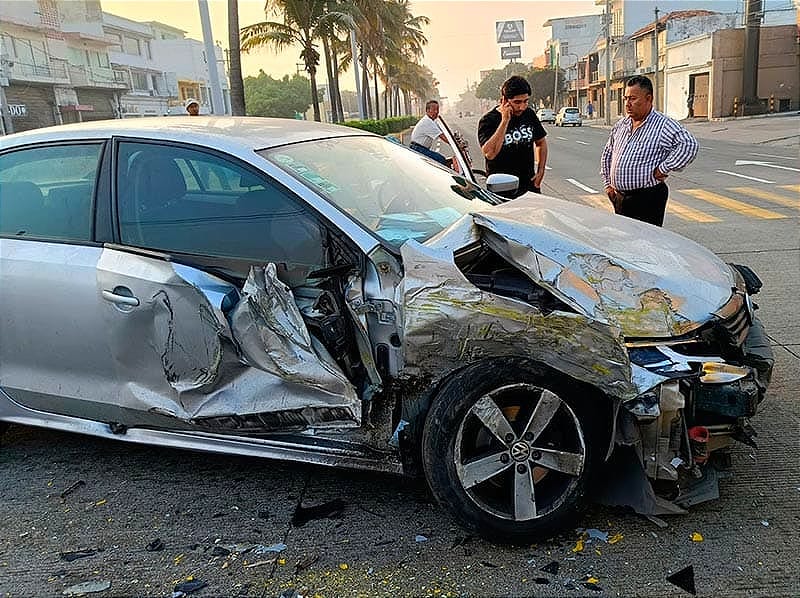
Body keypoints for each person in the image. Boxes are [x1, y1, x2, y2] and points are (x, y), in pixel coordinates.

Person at [600, 75, 698, 227]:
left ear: (649, 98)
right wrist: (608, 185)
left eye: (633, 99)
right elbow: (607, 155)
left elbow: (688, 145)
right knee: (625, 241)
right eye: (625, 98)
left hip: (647, 198)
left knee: (645, 245)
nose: (627, 104)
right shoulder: (622, 125)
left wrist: (664, 168)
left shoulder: (662, 125)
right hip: (619, 197)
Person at [477, 75, 548, 198]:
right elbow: (490, 153)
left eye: (526, 101)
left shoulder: (529, 114)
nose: (522, 107)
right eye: (517, 102)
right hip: (502, 189)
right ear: (504, 100)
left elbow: (541, 142)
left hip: (529, 186)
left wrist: (541, 171)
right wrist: (505, 121)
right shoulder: (488, 120)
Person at [409, 100, 451, 165]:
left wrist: (453, 138)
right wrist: (455, 145)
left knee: (441, 159)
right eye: (434, 110)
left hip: (420, 148)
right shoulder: (427, 122)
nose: (436, 112)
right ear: (428, 111)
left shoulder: (431, 121)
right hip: (418, 149)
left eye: (437, 109)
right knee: (440, 159)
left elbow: (444, 132)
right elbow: (443, 137)